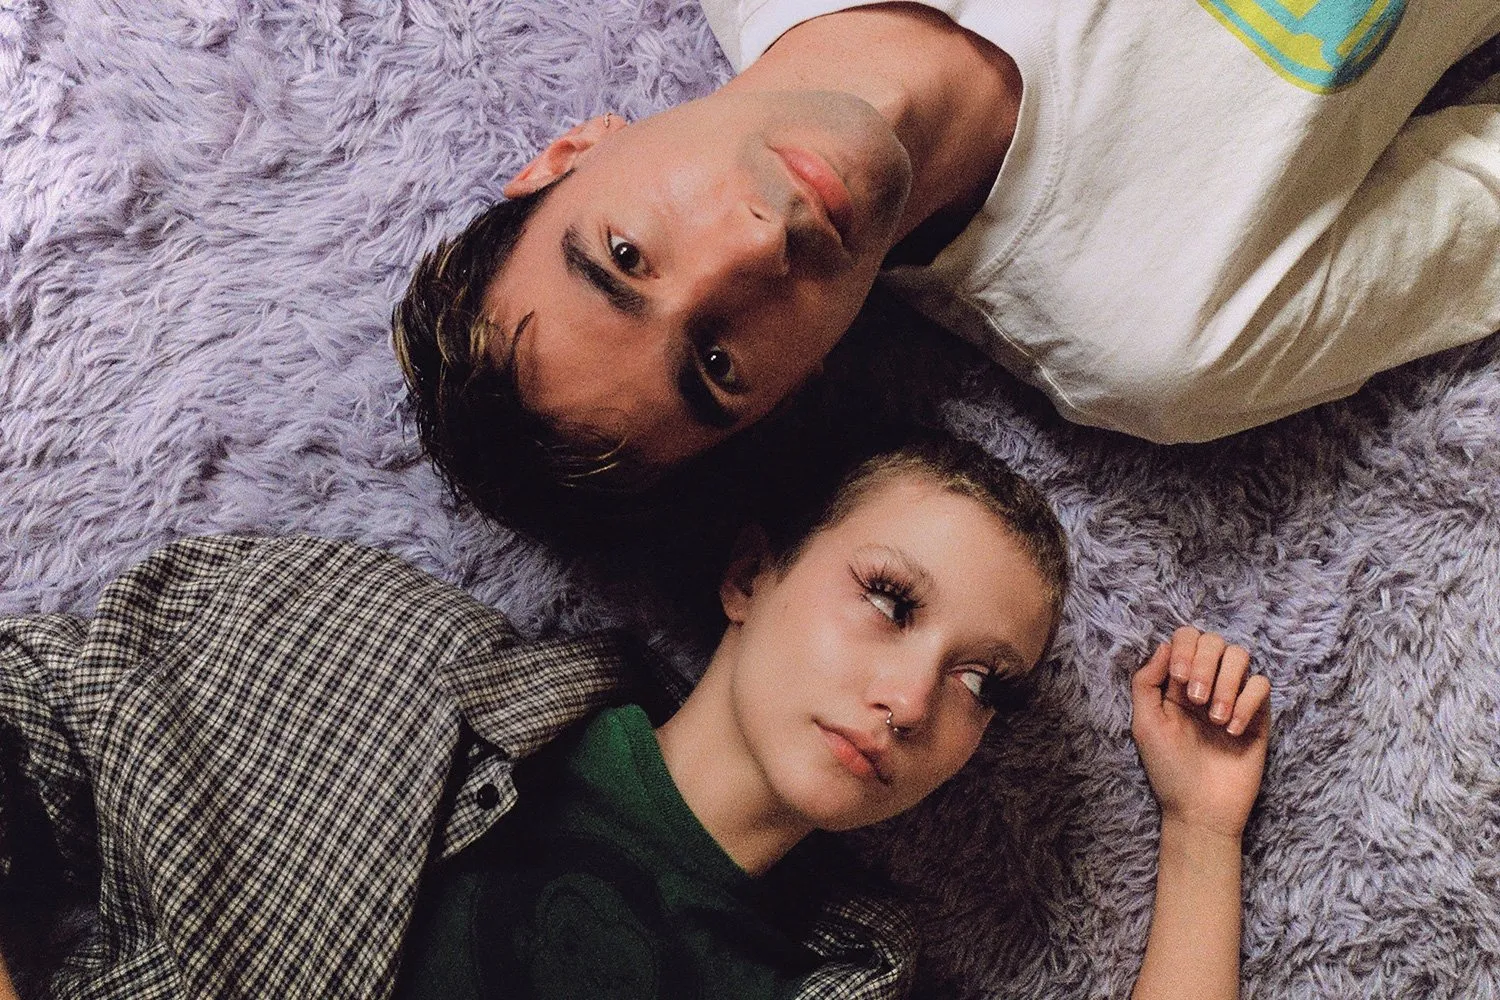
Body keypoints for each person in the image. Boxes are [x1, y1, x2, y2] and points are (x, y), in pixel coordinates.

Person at [0, 439, 1271, 999]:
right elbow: (29, 708)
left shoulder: (833, 981)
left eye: (982, 682)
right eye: (889, 600)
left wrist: (1201, 829)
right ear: (750, 574)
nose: (912, 699)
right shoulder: (371, 655)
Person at [392, 1, 1500, 534]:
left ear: (570, 154)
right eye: (718, 364)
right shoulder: (1164, 329)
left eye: (627, 255)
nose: (755, 245)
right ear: (794, 392)